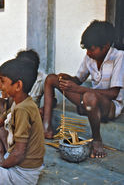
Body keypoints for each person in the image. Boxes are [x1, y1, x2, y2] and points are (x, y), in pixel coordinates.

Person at [43, 20, 124, 158]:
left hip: (109, 106)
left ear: (105, 46)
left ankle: (97, 139)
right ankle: (46, 127)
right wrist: (67, 78)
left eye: (91, 49)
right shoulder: (89, 58)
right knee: (51, 78)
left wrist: (78, 89)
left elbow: (113, 93)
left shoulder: (119, 57)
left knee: (89, 97)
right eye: (87, 49)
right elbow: (78, 80)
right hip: (89, 101)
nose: (88, 53)